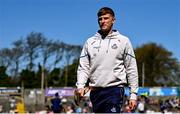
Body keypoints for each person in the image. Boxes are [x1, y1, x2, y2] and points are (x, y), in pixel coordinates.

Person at [76, 7, 139, 113]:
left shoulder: (123, 41)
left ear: (113, 20)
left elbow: (131, 68)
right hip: (95, 92)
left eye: (106, 18)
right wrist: (80, 85)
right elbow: (83, 67)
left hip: (115, 90)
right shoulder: (90, 42)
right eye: (100, 19)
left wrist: (133, 94)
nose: (102, 21)